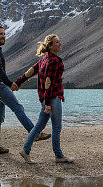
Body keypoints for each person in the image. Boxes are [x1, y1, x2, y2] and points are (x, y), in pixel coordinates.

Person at [0, 24, 48, 154]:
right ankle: (34, 133)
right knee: (18, 108)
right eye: (0, 34)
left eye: (4, 34)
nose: (3, 36)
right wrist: (9, 84)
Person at [15, 34, 74, 163]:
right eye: (57, 42)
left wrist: (18, 82)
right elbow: (49, 83)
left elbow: (30, 72)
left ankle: (25, 150)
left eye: (59, 41)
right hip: (52, 97)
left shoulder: (43, 59)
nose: (60, 44)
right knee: (56, 127)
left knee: (39, 125)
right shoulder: (54, 61)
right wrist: (48, 104)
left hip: (45, 98)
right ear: (51, 46)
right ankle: (58, 156)